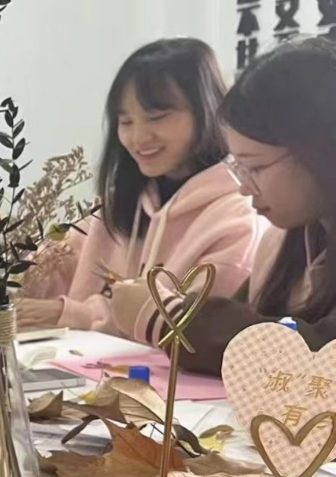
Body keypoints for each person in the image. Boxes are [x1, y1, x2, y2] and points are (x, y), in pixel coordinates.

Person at [109, 37, 336, 375]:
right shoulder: (283, 242)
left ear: (319, 150)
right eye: (238, 168)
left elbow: (317, 354)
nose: (244, 187)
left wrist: (168, 318)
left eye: (255, 168)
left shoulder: (243, 221)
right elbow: (248, 323)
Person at [18, 39, 257, 333]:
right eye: (126, 121)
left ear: (208, 110)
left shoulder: (237, 217)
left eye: (157, 117)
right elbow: (47, 268)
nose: (138, 138)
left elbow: (192, 330)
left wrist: (73, 314)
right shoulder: (121, 204)